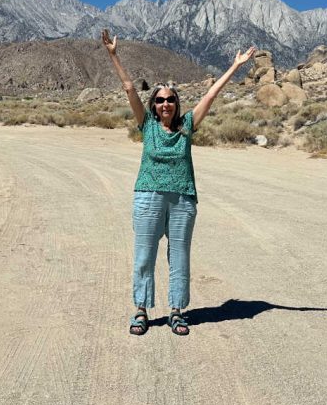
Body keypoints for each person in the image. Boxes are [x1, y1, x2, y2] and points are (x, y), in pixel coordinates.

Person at [101, 28, 256, 337]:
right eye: (159, 100)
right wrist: (114, 55)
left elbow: (211, 96)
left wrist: (236, 66)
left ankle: (176, 311)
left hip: (183, 199)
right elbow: (130, 88)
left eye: (170, 100)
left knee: (180, 256)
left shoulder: (187, 125)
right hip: (148, 197)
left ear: (176, 103)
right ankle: (141, 310)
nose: (165, 104)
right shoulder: (146, 125)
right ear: (153, 105)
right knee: (145, 255)